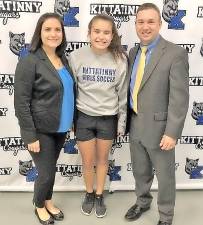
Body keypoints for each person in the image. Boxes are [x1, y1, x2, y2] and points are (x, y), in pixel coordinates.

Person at [124, 3, 189, 225]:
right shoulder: (132, 52)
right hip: (135, 126)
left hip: (161, 130)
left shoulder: (175, 54)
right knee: (141, 172)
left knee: (165, 177)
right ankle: (142, 202)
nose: (145, 26)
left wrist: (172, 133)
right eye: (140, 22)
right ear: (135, 25)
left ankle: (166, 215)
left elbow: (179, 98)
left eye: (150, 21)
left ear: (160, 24)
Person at [14, 13, 75, 225]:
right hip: (40, 130)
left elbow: (67, 93)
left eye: (57, 29)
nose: (53, 33)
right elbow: (21, 102)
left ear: (62, 33)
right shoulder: (29, 60)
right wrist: (30, 135)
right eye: (48, 29)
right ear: (39, 32)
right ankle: (39, 205)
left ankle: (48, 200)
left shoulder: (62, 58)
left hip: (61, 127)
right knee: (46, 173)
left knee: (50, 169)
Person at [68, 14, 128, 218]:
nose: (101, 36)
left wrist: (121, 123)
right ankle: (89, 193)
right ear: (89, 33)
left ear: (112, 36)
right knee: (87, 161)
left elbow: (122, 95)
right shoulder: (76, 56)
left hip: (107, 118)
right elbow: (70, 90)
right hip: (83, 117)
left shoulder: (119, 59)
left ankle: (100, 194)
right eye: (97, 31)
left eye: (106, 32)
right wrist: (70, 119)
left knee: (102, 160)